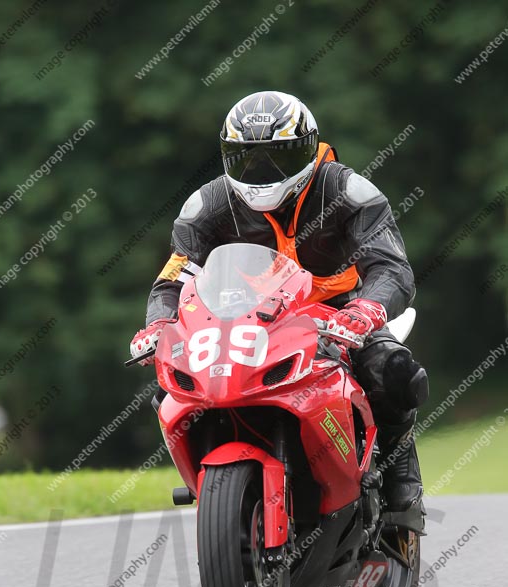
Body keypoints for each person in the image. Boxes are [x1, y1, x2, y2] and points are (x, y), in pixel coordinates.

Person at [130, 90, 428, 529]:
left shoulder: (348, 191)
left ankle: (401, 472)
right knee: (170, 384)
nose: (260, 172)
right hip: (244, 319)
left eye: (276, 158)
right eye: (246, 159)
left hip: (337, 313)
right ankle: (210, 479)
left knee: (394, 369)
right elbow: (174, 277)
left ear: (308, 148)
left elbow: (392, 268)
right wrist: (157, 322)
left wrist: (366, 311)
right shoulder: (207, 206)